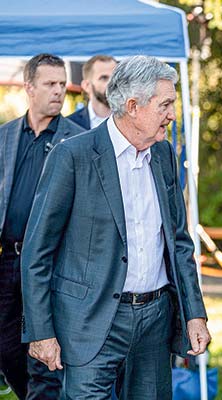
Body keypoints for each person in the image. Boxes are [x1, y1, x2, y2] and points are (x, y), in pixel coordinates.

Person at [20, 55, 211, 399]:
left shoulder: (165, 155)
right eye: (165, 104)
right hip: (89, 324)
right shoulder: (73, 156)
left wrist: (195, 314)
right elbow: (38, 252)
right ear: (133, 106)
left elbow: (179, 242)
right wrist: (40, 331)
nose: (172, 114)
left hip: (155, 323)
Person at [0, 53, 85, 399]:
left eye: (62, 84)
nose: (59, 91)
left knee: (45, 361)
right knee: (6, 350)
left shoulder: (77, 141)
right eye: (50, 84)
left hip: (51, 265)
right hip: (8, 261)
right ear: (29, 88)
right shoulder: (5, 136)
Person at [68, 55, 117, 130]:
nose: (112, 83)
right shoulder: (70, 124)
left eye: (115, 77)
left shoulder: (133, 120)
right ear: (86, 86)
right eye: (104, 78)